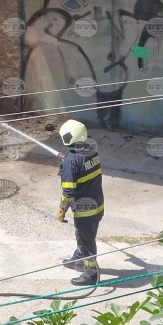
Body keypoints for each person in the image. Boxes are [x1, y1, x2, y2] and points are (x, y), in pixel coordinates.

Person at [57, 119, 103, 286]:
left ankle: (91, 274)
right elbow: (82, 167)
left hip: (84, 210)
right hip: (98, 204)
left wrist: (62, 210)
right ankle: (78, 258)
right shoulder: (92, 151)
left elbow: (68, 192)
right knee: (84, 235)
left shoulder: (71, 161)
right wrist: (68, 163)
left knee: (86, 240)